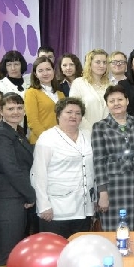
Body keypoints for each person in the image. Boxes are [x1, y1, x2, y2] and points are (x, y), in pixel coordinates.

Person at [30, 98, 95, 238]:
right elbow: (38, 173)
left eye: (78, 113)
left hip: (83, 208)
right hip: (56, 210)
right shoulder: (47, 138)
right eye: (69, 112)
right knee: (56, 249)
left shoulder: (87, 135)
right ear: (59, 114)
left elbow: (92, 169)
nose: (73, 116)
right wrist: (43, 205)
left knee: (79, 247)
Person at [0, 92, 35, 265]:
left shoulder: (18, 133)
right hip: (8, 200)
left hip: (18, 198)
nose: (15, 112)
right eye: (10, 108)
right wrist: (31, 195)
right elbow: (12, 170)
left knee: (18, 252)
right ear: (1, 111)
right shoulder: (1, 135)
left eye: (19, 108)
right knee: (7, 254)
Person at [91, 85, 134, 231]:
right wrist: (102, 193)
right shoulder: (100, 127)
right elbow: (99, 161)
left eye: (120, 99)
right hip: (113, 187)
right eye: (112, 101)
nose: (116, 103)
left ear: (127, 101)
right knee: (114, 232)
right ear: (107, 104)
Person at [24, 56, 65, 144]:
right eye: (40, 71)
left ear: (53, 71)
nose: (45, 73)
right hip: (41, 142)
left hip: (60, 141)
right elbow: (32, 122)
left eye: (48, 69)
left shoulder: (60, 94)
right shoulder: (31, 93)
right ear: (35, 74)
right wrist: (48, 139)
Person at [69, 49, 110, 131]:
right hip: (85, 131)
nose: (102, 65)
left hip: (108, 132)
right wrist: (92, 130)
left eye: (104, 62)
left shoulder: (111, 85)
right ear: (89, 64)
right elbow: (75, 110)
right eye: (98, 62)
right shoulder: (78, 83)